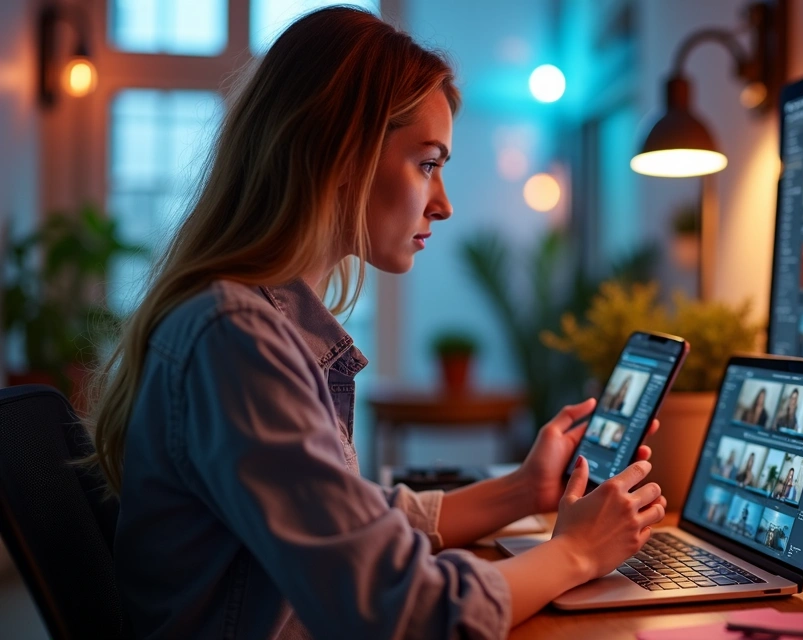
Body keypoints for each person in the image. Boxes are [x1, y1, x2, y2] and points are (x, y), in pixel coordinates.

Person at [85, 10, 668, 637]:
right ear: (342, 153)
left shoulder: (248, 323)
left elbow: (349, 523)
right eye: (428, 164)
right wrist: (577, 553)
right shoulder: (236, 339)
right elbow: (402, 610)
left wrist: (524, 490)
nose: (443, 204)